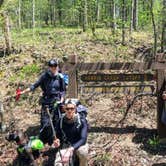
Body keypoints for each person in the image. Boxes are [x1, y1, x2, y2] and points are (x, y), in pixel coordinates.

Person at [19, 59, 66, 145]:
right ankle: (46, 141)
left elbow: (63, 90)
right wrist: (24, 91)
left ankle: (58, 141)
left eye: (55, 66)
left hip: (57, 101)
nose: (53, 68)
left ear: (57, 66)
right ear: (49, 67)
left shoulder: (60, 77)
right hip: (46, 101)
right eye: (51, 66)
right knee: (45, 122)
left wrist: (62, 99)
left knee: (57, 121)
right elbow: (35, 85)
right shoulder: (44, 76)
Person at [54, 100, 88, 166]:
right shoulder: (60, 121)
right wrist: (56, 141)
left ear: (75, 109)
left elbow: (83, 139)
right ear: (64, 109)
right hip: (65, 145)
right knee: (59, 163)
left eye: (72, 108)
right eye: (67, 109)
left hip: (78, 145)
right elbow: (57, 135)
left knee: (83, 152)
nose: (69, 111)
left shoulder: (82, 121)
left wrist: (71, 149)